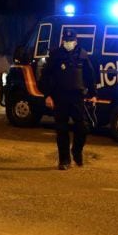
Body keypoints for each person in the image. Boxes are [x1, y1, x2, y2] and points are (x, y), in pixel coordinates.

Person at [40, 28, 98, 170]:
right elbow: (45, 76)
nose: (68, 43)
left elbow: (89, 75)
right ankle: (64, 160)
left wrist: (93, 94)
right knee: (61, 130)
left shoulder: (82, 55)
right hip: (60, 97)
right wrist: (47, 95)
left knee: (83, 127)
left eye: (71, 40)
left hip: (77, 97)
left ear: (76, 41)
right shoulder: (55, 55)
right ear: (62, 41)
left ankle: (76, 151)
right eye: (66, 40)